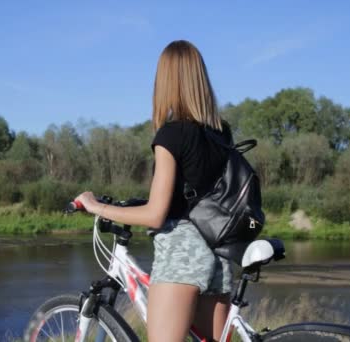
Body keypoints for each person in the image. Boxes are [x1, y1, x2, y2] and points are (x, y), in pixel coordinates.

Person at [74, 40, 234, 342]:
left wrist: (96, 206)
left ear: (166, 82)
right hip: (220, 249)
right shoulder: (221, 133)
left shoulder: (171, 135)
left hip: (182, 253)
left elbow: (156, 214)